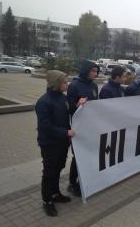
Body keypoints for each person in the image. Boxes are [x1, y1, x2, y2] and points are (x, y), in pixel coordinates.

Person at [35, 70, 74, 217]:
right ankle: (47, 201)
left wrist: (79, 104)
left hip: (62, 142)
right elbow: (46, 127)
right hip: (50, 144)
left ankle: (56, 193)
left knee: (58, 168)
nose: (67, 84)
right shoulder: (44, 102)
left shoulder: (62, 98)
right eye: (64, 82)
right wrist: (66, 132)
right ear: (56, 84)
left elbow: (70, 109)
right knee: (49, 172)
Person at [66, 60, 99, 197]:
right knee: (78, 155)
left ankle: (85, 178)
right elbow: (69, 107)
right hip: (78, 127)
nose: (95, 73)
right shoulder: (74, 85)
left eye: (97, 71)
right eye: (93, 71)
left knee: (89, 152)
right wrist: (77, 104)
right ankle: (72, 183)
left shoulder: (94, 86)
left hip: (91, 126)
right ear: (86, 70)